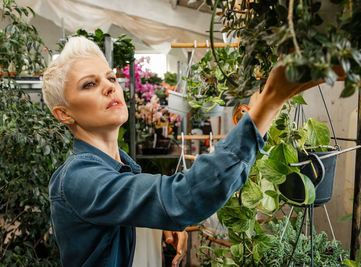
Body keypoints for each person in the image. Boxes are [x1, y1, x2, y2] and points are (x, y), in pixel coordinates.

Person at [42, 36, 326, 266]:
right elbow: (183, 197)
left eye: (111, 78)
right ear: (64, 114)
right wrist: (270, 103)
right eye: (89, 84)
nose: (108, 87)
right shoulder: (77, 179)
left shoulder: (122, 169)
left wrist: (153, 226)